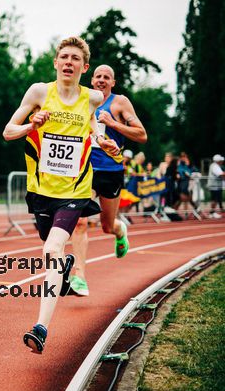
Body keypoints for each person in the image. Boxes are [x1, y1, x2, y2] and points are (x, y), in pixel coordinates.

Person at [2, 37, 120, 353]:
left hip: (76, 188)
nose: (68, 62)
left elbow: (93, 125)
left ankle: (40, 327)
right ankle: (63, 269)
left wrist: (102, 140)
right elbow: (8, 131)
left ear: (84, 67)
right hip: (40, 189)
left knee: (53, 247)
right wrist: (31, 125)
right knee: (49, 246)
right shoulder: (39, 92)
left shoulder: (93, 97)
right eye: (63, 56)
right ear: (55, 63)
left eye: (75, 58)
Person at [70, 65, 147, 296]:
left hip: (111, 171)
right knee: (80, 222)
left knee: (106, 225)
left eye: (107, 77)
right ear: (91, 80)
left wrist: (113, 123)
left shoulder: (119, 103)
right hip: (85, 168)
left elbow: (142, 135)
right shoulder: (81, 99)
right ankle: (79, 275)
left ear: (112, 82)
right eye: (98, 76)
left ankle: (119, 230)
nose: (102, 80)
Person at [208, 154, 224, 218]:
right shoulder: (215, 166)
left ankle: (212, 213)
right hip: (214, 185)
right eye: (221, 160)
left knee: (215, 199)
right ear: (218, 160)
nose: (222, 161)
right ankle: (212, 213)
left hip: (216, 185)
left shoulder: (216, 165)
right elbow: (220, 174)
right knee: (214, 199)